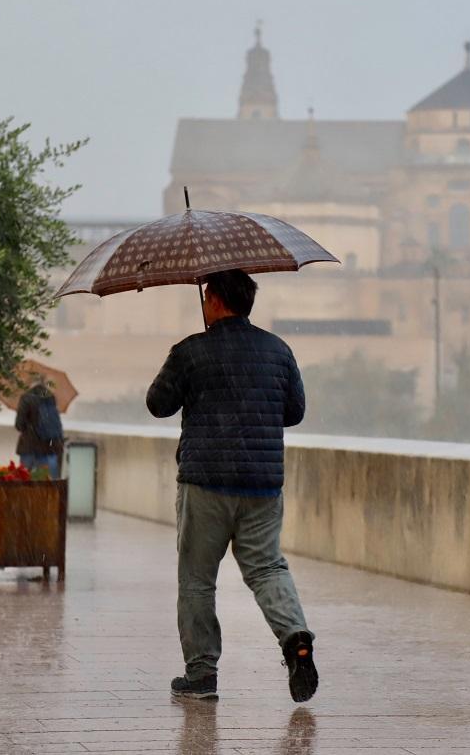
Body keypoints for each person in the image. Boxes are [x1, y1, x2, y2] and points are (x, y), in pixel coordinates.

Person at [146, 269, 316, 704]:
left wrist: (190, 369)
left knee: (198, 580)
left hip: (206, 482)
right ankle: (295, 638)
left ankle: (201, 675)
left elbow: (157, 404)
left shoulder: (191, 352)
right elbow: (293, 411)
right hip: (262, 484)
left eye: (207, 297)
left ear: (216, 300)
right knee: (266, 568)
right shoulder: (278, 350)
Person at [13, 380, 64, 479]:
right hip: (49, 447)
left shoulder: (26, 398)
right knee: (47, 482)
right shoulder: (50, 397)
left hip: (29, 447)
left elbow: (19, 425)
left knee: (24, 481)